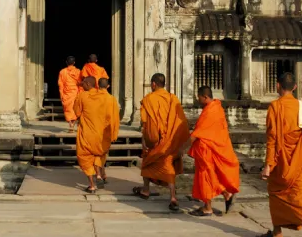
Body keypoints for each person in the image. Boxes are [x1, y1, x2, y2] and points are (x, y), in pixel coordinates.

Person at [255, 71, 302, 237]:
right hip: (298, 164)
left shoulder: (275, 107)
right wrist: (301, 154)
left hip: (279, 163)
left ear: (278, 86)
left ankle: (278, 232)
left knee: (276, 196)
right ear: (294, 87)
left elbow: (272, 138)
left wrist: (269, 164)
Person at [133, 73, 190, 212]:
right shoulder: (172, 99)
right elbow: (181, 121)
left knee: (147, 162)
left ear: (153, 84)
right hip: (169, 140)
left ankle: (146, 190)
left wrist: (144, 140)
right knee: (167, 165)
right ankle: (172, 197)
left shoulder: (148, 99)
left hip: (153, 139)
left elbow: (145, 122)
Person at [188, 86, 240, 217]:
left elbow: (197, 134)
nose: (197, 99)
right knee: (210, 175)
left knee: (205, 176)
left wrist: (182, 148)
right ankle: (225, 193)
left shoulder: (210, 111)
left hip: (207, 149)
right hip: (213, 147)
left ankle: (208, 207)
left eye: (199, 97)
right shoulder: (217, 107)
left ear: (205, 97)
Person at [74, 76, 119, 193]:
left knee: (85, 157)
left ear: (88, 84)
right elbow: (111, 116)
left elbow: (77, 112)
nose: (82, 85)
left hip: (87, 133)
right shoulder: (107, 98)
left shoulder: (83, 96)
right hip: (101, 134)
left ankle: (92, 185)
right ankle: (99, 174)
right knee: (98, 154)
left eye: (83, 83)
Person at [97, 77, 120, 185]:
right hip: (106, 130)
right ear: (108, 86)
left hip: (95, 129)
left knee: (96, 152)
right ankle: (101, 173)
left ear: (98, 85)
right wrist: (114, 132)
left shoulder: (93, 98)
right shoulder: (112, 99)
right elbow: (115, 117)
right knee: (102, 152)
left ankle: (100, 173)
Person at [58, 56, 83, 132]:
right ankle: (73, 123)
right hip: (75, 92)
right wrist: (80, 92)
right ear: (74, 62)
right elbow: (80, 83)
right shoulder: (78, 71)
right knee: (75, 109)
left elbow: (60, 84)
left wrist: (61, 94)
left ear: (66, 62)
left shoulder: (62, 72)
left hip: (66, 93)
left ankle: (70, 124)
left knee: (68, 109)